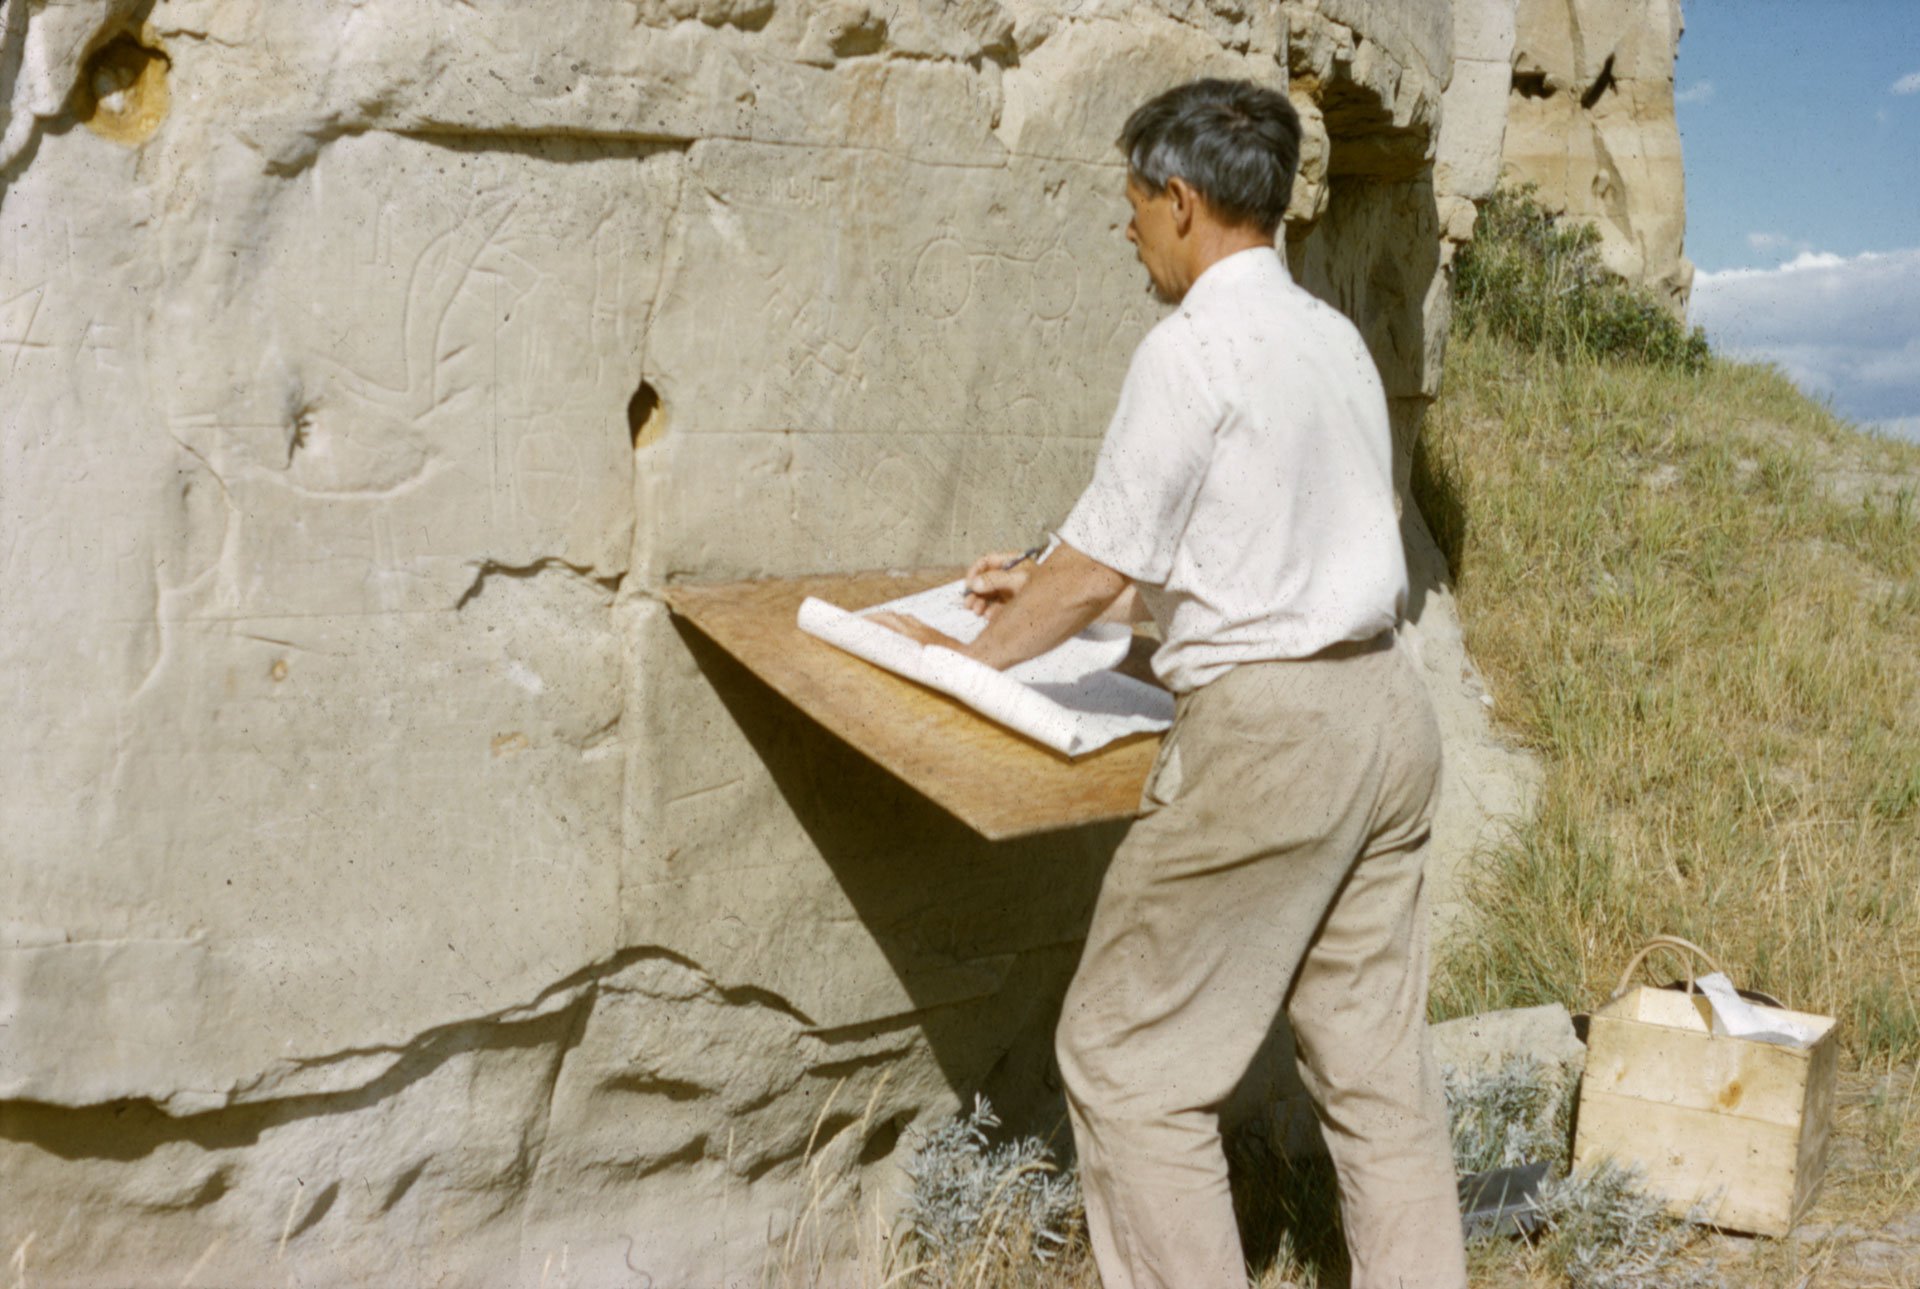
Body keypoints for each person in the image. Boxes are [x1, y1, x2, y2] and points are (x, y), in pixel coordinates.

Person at [871, 78, 1468, 1289]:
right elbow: (1248, 541)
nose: (1127, 228)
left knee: (1127, 1057)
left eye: (1135, 203)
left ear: (1183, 202)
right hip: (1389, 717)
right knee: (1371, 1064)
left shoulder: (1189, 348)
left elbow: (1100, 572)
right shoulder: (1332, 338)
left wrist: (965, 653)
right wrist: (1037, 576)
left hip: (1273, 739)